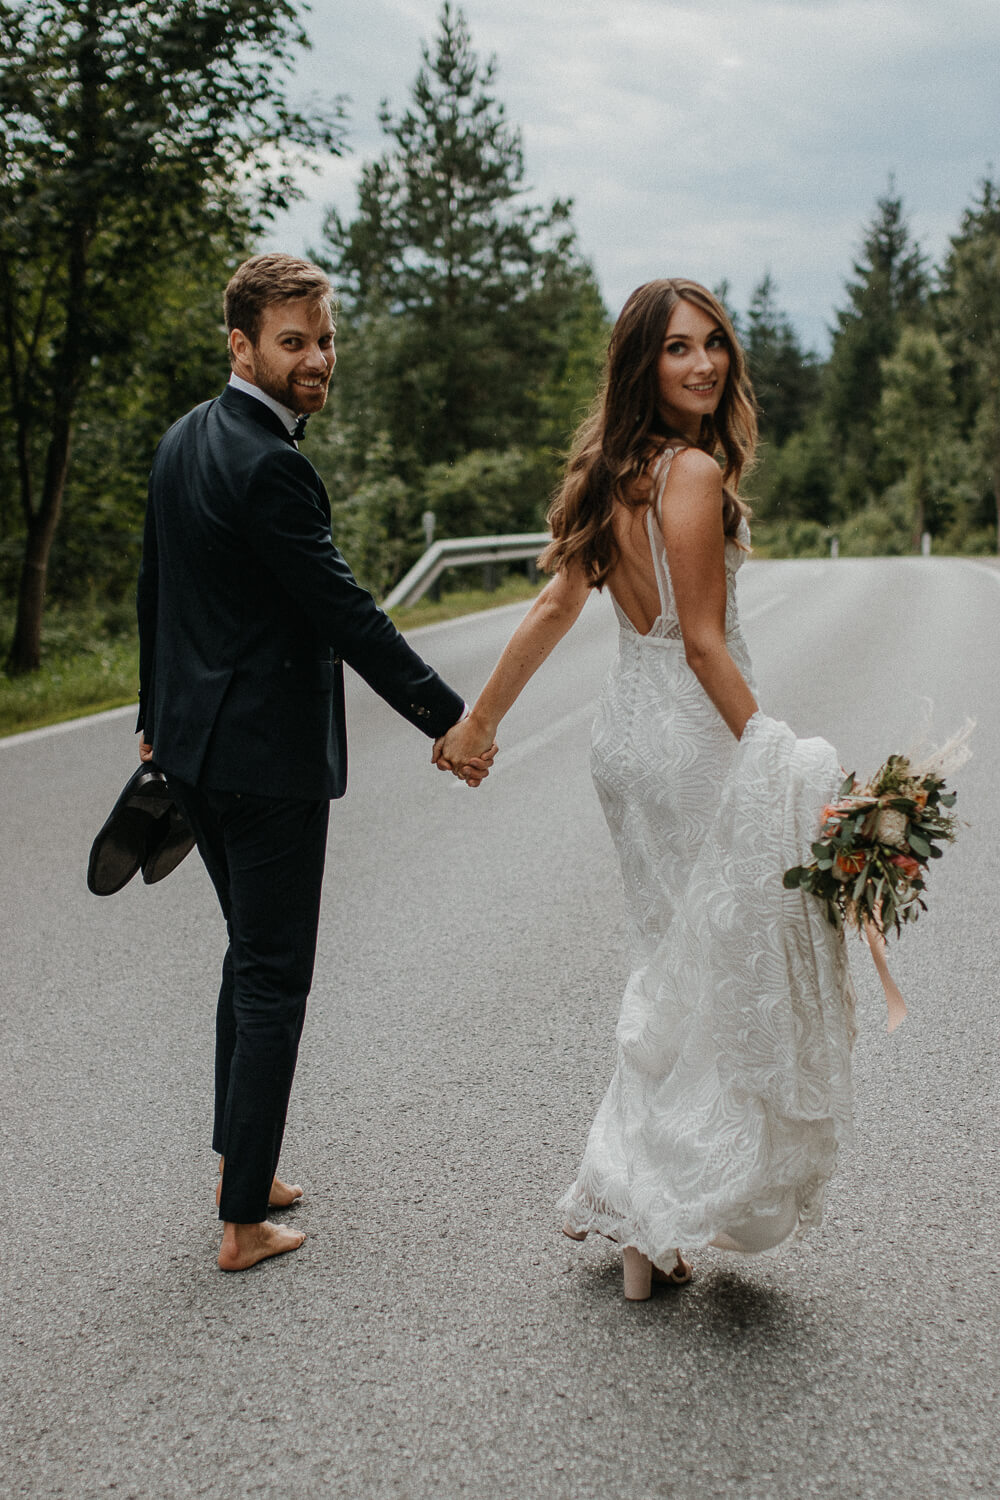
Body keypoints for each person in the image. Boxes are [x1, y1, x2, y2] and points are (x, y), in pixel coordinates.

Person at [436, 278, 855, 1301]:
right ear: (643, 365)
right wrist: (776, 758)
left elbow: (551, 605)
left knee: (663, 963)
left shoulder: (609, 470)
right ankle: (659, 1207)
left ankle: (639, 1224)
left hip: (623, 741)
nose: (704, 364)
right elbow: (705, 644)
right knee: (709, 971)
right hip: (689, 744)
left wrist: (481, 719)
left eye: (714, 344)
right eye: (678, 349)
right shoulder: (695, 473)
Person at [136, 253, 492, 1272]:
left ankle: (233, 1164)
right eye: (294, 341)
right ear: (241, 344)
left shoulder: (184, 440)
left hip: (196, 754)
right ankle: (244, 1220)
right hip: (265, 767)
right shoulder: (271, 465)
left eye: (325, 339)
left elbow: (152, 596)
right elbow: (346, 614)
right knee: (273, 978)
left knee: (245, 955)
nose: (316, 360)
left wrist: (153, 723)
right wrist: (447, 716)